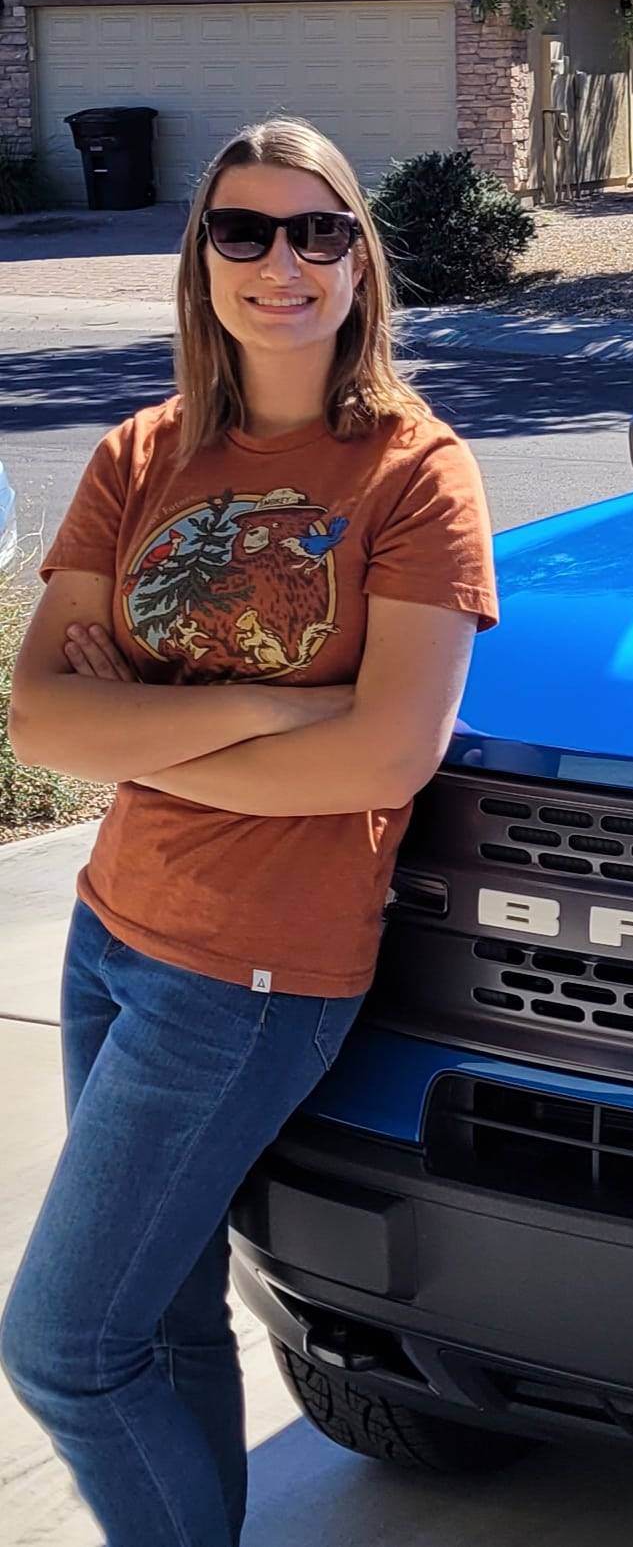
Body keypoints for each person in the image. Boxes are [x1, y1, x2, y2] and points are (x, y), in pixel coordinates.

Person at [0, 117, 498, 1545]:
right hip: (113, 935)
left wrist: (157, 733)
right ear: (202, 254)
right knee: (155, 1325)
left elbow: (391, 756)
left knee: (60, 1348)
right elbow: (41, 719)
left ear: (359, 261)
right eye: (245, 229)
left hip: (252, 978)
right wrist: (288, 716)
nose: (280, 261)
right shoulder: (142, 453)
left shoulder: (416, 471)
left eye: (315, 230)